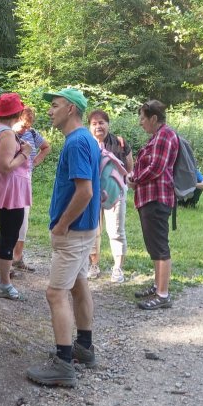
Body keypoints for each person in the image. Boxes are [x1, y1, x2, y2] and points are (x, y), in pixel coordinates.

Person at [26, 88, 100, 388]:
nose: (50, 110)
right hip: (84, 230)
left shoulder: (77, 142)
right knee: (78, 283)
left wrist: (61, 226)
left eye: (55, 106)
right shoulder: (83, 140)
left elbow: (85, 191)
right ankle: (84, 346)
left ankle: (64, 364)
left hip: (73, 232)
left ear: (71, 109)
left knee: (55, 293)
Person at [0, 93, 33, 300]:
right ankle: (5, 284)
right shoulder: (7, 135)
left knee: (4, 234)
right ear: (17, 113)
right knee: (9, 238)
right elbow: (6, 166)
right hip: (11, 192)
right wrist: (25, 153)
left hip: (7, 190)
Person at [128, 99, 179, 310]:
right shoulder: (157, 137)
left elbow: (156, 168)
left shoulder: (165, 135)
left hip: (157, 199)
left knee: (159, 247)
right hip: (149, 198)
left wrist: (135, 178)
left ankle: (163, 295)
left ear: (154, 118)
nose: (140, 122)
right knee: (154, 246)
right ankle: (158, 285)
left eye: (142, 118)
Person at [87, 109, 134, 283]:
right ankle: (93, 265)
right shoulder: (86, 143)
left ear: (108, 124)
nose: (98, 126)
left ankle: (117, 268)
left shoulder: (119, 143)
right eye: (94, 123)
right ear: (89, 126)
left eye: (101, 123)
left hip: (116, 194)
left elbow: (129, 167)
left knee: (116, 231)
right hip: (90, 194)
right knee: (93, 230)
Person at [11, 107, 51, 272]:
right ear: (15, 119)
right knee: (9, 221)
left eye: (28, 125)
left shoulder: (33, 134)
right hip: (10, 183)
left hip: (26, 181)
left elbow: (46, 147)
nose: (25, 129)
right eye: (23, 125)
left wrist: (35, 161)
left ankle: (18, 258)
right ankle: (5, 259)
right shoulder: (7, 134)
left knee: (23, 221)